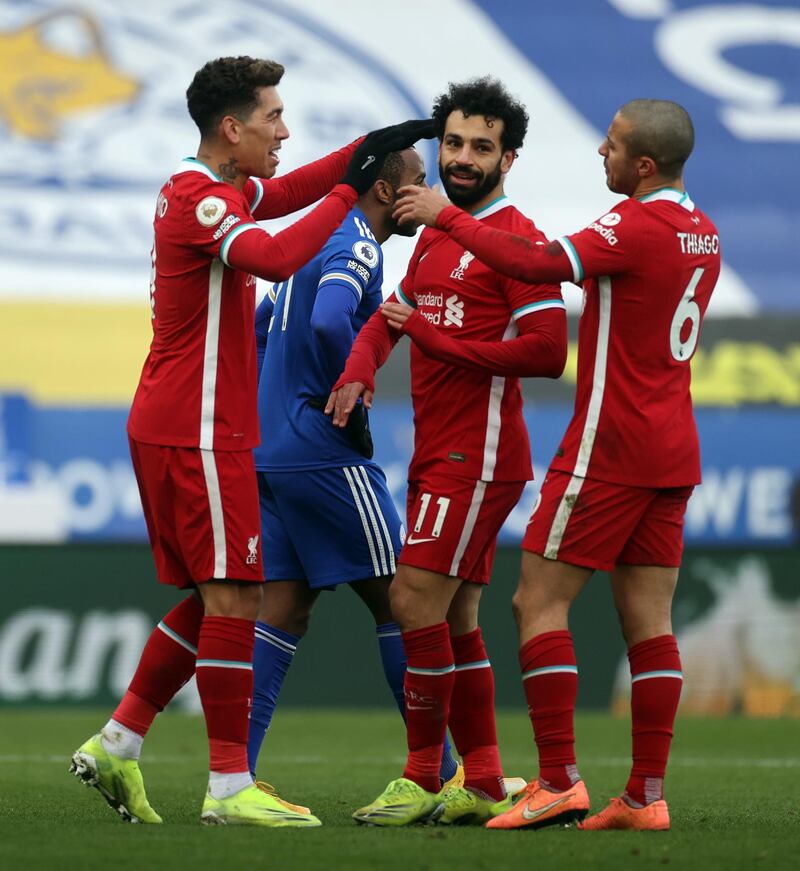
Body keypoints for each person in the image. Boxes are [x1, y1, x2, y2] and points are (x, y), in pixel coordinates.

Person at [69, 54, 433, 829]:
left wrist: (369, 146)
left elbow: (292, 192)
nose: (285, 131)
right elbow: (272, 251)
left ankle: (118, 739)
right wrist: (348, 192)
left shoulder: (223, 188)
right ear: (231, 129)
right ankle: (231, 787)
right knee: (239, 594)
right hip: (195, 427)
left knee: (213, 594)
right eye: (272, 118)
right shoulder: (200, 200)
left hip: (199, 424)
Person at [392, 98, 721, 831]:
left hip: (610, 446)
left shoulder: (634, 224)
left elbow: (532, 262)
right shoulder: (703, 230)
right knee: (650, 621)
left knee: (535, 602)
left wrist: (446, 215)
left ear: (643, 164)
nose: (598, 154)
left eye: (610, 146)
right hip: (674, 447)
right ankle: (643, 796)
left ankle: (557, 780)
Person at [327, 77, 568, 827]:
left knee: (410, 599)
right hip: (442, 449)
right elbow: (393, 315)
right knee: (457, 614)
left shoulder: (516, 238)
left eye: (481, 148)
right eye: (454, 144)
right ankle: (486, 778)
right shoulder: (435, 229)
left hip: (481, 453)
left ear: (509, 159)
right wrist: (362, 365)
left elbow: (548, 352)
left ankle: (420, 776)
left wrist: (434, 338)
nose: (462, 159)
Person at [246, 146, 462, 804]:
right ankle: (445, 771)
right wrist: (351, 385)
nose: (425, 191)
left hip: (272, 449)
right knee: (405, 597)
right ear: (380, 187)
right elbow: (328, 316)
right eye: (417, 181)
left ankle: (235, 775)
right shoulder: (358, 242)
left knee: (282, 609)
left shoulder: (308, 242)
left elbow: (261, 328)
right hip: (322, 449)